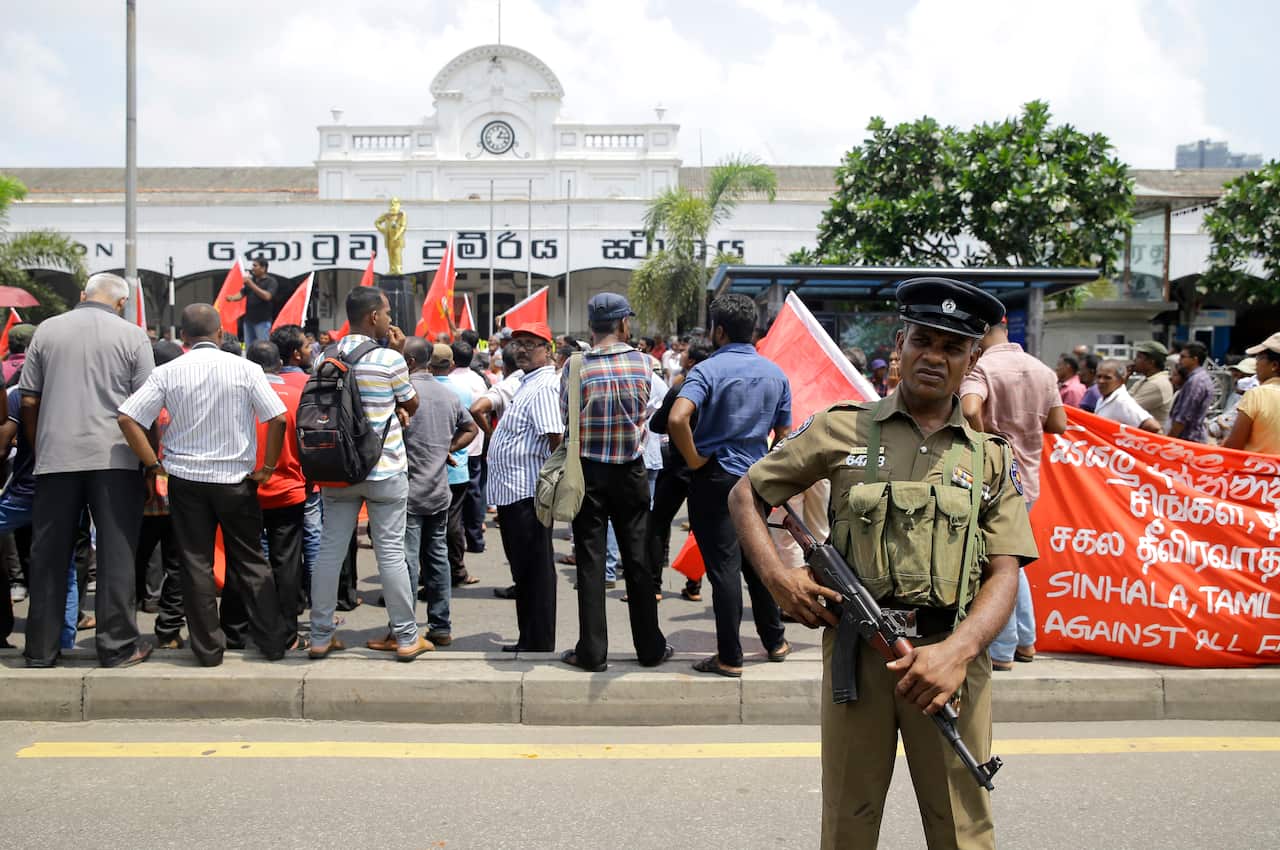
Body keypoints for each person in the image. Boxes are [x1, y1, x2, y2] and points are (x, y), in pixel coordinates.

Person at [730, 277, 1037, 849]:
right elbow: (747, 493)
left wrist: (957, 653)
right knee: (849, 820)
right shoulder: (842, 428)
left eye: (952, 347)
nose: (934, 357)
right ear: (901, 344)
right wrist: (778, 578)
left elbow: (1005, 573)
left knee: (962, 830)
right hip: (859, 659)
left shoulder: (989, 457)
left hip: (950, 660)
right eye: (924, 340)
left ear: (971, 360)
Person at [118, 305, 291, 667]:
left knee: (194, 563)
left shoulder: (167, 372)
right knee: (251, 561)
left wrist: (153, 464)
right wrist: (268, 467)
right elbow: (277, 418)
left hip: (186, 480)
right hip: (236, 480)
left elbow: (127, 417)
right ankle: (272, 642)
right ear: (221, 334)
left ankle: (208, 649)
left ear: (183, 337)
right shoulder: (246, 369)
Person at [20, 272, 155, 668]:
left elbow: (29, 401)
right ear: (120, 303)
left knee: (48, 555)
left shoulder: (46, 330)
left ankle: (40, 650)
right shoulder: (132, 336)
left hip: (55, 458)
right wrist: (151, 463)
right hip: (115, 459)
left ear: (82, 295)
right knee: (116, 554)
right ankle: (116, 647)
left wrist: (39, 443)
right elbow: (146, 408)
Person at [669, 293, 792, 677]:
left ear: (718, 331)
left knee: (723, 570)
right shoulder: (776, 373)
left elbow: (677, 419)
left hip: (714, 478)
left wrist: (693, 460)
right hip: (756, 480)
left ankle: (729, 656)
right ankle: (775, 641)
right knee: (756, 563)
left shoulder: (706, 371)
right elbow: (786, 434)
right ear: (752, 330)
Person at [307, 287, 430, 661]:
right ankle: (407, 637)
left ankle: (320, 635)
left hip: (338, 469)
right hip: (385, 470)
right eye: (388, 313)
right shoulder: (387, 359)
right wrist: (397, 356)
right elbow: (411, 401)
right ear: (373, 316)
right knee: (391, 554)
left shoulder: (323, 357)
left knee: (330, 551)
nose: (391, 319)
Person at [560, 293, 671, 672]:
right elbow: (653, 414)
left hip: (586, 473)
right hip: (631, 472)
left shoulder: (574, 367)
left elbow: (566, 417)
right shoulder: (645, 364)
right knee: (638, 562)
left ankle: (591, 652)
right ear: (624, 324)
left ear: (592, 327)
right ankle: (650, 648)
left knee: (590, 563)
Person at [960, 316, 1065, 672]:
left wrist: (985, 438)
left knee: (1000, 563)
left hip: (994, 479)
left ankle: (1004, 649)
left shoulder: (982, 369)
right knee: (1013, 559)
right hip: (1028, 482)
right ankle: (1026, 641)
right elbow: (1059, 424)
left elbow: (970, 408)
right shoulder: (1042, 370)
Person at [369, 339, 476, 651]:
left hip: (408, 490)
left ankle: (401, 630)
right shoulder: (448, 395)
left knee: (407, 561)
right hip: (438, 490)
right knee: (437, 558)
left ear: (410, 360)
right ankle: (440, 626)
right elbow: (471, 429)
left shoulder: (401, 395)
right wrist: (447, 449)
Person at [218, 340, 308, 652]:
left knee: (239, 561)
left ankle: (234, 631)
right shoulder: (298, 396)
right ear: (280, 364)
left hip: (244, 488)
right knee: (287, 564)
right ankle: (286, 633)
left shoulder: (236, 396)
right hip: (289, 490)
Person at [486, 321, 562, 652]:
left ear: (548, 350)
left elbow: (555, 439)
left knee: (535, 571)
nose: (522, 349)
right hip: (513, 492)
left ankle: (537, 641)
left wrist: (551, 486)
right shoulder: (526, 382)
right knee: (525, 570)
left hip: (528, 493)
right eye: (518, 343)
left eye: (531, 343)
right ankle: (529, 637)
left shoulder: (544, 385)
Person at [645, 342, 711, 601]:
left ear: (692, 362)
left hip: (676, 468)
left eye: (686, 353)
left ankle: (654, 585)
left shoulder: (681, 389)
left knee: (658, 524)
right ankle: (694, 584)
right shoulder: (717, 389)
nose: (680, 354)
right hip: (705, 469)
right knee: (702, 529)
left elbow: (658, 424)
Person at [133, 340, 187, 649]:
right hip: (179, 494)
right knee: (178, 567)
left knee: (132, 564)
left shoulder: (141, 400)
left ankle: (124, 628)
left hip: (144, 496)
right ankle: (168, 631)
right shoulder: (185, 399)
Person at [436, 343, 477, 587]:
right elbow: (469, 427)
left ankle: (430, 570)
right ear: (451, 365)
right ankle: (457, 570)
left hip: (424, 468)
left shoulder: (415, 389)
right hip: (455, 466)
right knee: (453, 523)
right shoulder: (462, 391)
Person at [449, 339, 490, 559]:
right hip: (475, 444)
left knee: (458, 498)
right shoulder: (479, 380)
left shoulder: (450, 382)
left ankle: (469, 537)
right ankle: (475, 538)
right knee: (475, 491)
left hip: (457, 446)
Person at [1224, 333, 1280, 454]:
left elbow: (1234, 446)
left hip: (1260, 470)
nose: (1256, 364)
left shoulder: (1256, 395)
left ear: (1274, 365)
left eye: (1259, 358)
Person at [1094, 359, 1161, 432]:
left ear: (1121, 380)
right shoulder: (1103, 399)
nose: (1101, 381)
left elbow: (1153, 426)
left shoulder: (1122, 401)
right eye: (1099, 377)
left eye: (1107, 378)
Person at [1167, 341, 1216, 443]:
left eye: (1183, 357)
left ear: (1195, 359)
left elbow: (1183, 417)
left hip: (1188, 439)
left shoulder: (1196, 382)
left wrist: (1169, 440)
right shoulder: (1200, 377)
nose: (1179, 360)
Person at [224, 258, 278, 346]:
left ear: (263, 268)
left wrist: (251, 284)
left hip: (262, 321)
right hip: (248, 321)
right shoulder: (252, 280)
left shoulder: (271, 282)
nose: (252, 268)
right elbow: (242, 293)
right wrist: (232, 298)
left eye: (255, 266)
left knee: (263, 347)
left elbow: (267, 296)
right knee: (249, 347)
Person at [1129, 340, 1174, 430]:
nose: (1134, 360)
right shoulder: (1145, 380)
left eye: (1139, 357)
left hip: (1151, 437)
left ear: (1151, 362)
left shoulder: (1157, 384)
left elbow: (1127, 409)